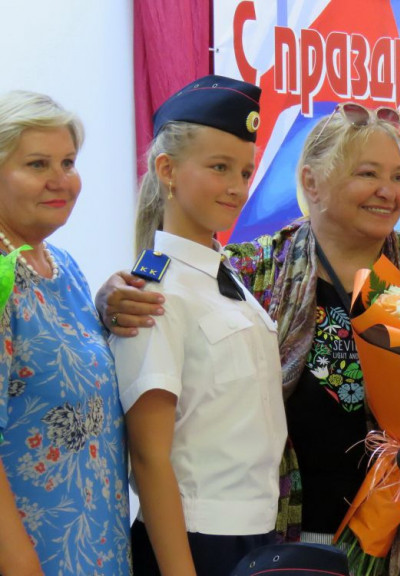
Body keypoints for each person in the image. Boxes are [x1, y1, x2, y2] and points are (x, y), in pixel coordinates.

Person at [97, 101, 400, 576]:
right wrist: (109, 299)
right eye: (368, 173)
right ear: (311, 182)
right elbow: (179, 285)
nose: (388, 191)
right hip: (289, 538)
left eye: (398, 177)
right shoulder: (253, 270)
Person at [108, 75, 287, 576]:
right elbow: (149, 456)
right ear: (167, 170)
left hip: (252, 532)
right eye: (219, 167)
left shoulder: (225, 279)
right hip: (193, 541)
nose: (237, 187)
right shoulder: (152, 292)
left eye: (245, 171)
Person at [0, 91, 130, 575]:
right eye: (38, 164)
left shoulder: (64, 266)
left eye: (68, 162)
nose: (61, 181)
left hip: (97, 548)